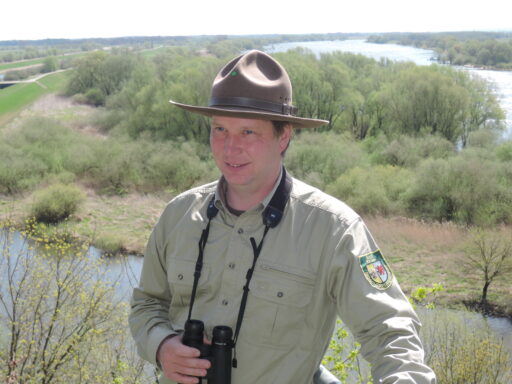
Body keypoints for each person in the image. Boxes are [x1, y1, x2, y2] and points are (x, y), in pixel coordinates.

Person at [129, 49, 436, 384]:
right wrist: (161, 345)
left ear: (284, 136)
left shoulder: (333, 229)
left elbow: (391, 333)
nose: (230, 148)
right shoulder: (178, 214)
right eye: (220, 130)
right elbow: (147, 304)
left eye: (248, 132)